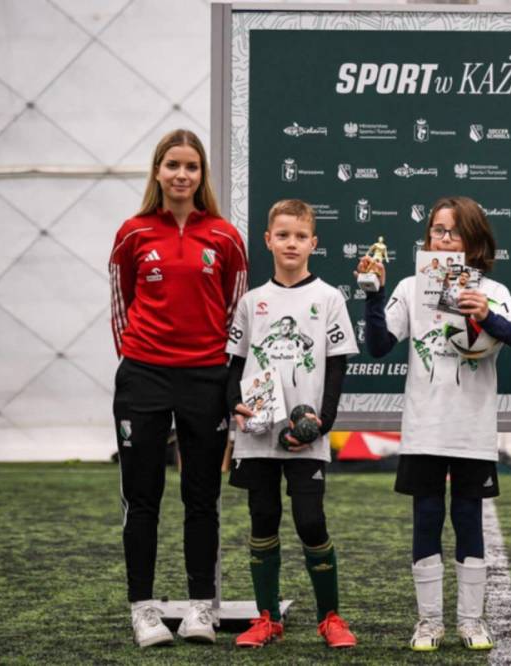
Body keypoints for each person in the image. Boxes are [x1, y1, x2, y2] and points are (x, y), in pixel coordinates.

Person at [358, 196, 511, 651]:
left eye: (453, 231)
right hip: (424, 427)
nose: (443, 239)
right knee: (427, 517)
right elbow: (378, 345)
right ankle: (429, 622)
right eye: (437, 230)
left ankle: (471, 622)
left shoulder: (491, 290)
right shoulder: (410, 286)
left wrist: (487, 315)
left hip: (471, 430)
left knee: (467, 517)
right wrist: (374, 296)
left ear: (474, 240)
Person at [109, 129, 247, 647]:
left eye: (191, 166)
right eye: (173, 165)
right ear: (158, 171)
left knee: (201, 497)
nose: (181, 175)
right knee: (142, 497)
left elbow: (234, 312)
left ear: (202, 174)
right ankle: (143, 609)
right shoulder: (133, 233)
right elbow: (121, 305)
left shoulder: (225, 237)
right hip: (143, 376)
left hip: (205, 379)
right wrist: (137, 360)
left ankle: (199, 609)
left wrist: (217, 370)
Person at [226, 199, 359, 649]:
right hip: (258, 434)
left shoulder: (329, 298)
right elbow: (235, 365)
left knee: (310, 522)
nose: (291, 243)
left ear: (313, 243)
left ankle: (331, 618)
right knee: (263, 518)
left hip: (306, 436)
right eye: (282, 235)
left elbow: (337, 368)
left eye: (300, 236)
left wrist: (322, 425)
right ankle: (267, 618)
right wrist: (234, 404)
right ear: (268, 240)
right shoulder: (251, 302)